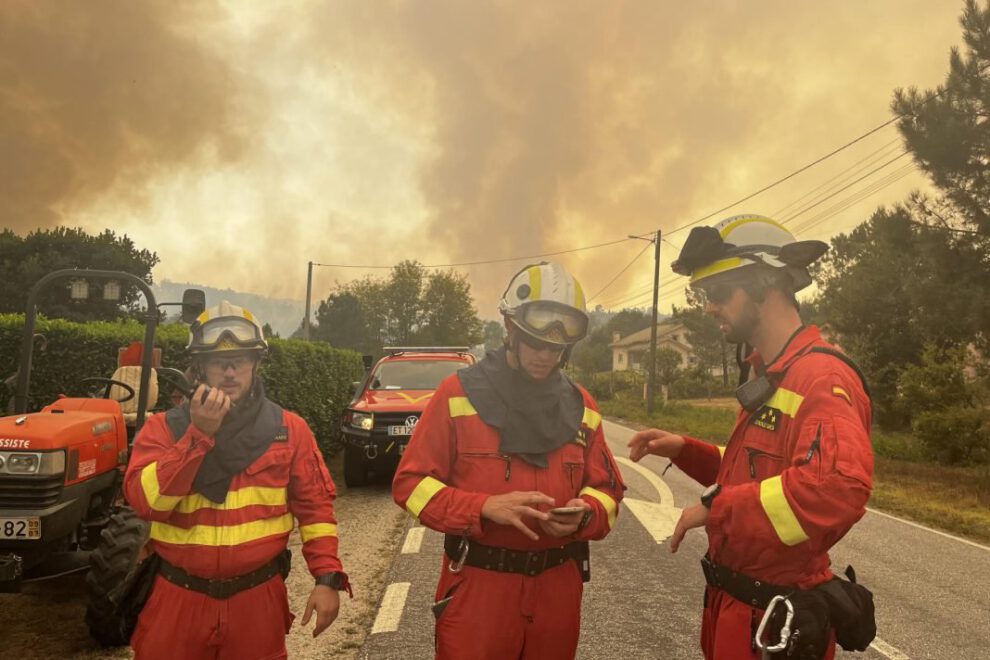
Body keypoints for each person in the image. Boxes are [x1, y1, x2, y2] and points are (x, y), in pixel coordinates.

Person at [629, 215, 874, 660]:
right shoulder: (774, 373)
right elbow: (763, 469)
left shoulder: (820, 377)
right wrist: (688, 451)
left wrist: (715, 508)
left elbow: (836, 489)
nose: (708, 307)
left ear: (766, 284)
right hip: (741, 613)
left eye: (718, 293)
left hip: (776, 622)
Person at [392, 262, 625, 660]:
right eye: (536, 343)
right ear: (510, 328)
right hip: (480, 588)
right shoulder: (457, 394)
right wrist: (481, 507)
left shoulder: (582, 405)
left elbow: (608, 490)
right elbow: (410, 485)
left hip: (558, 592)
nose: (546, 356)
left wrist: (586, 513)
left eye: (556, 349)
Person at [123, 301, 350, 660]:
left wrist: (327, 579)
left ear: (255, 364)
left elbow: (316, 512)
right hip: (176, 597)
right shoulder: (163, 429)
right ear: (200, 368)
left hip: (257, 598)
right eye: (217, 363)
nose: (230, 372)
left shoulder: (290, 430)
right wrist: (198, 435)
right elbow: (148, 501)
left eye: (241, 360)